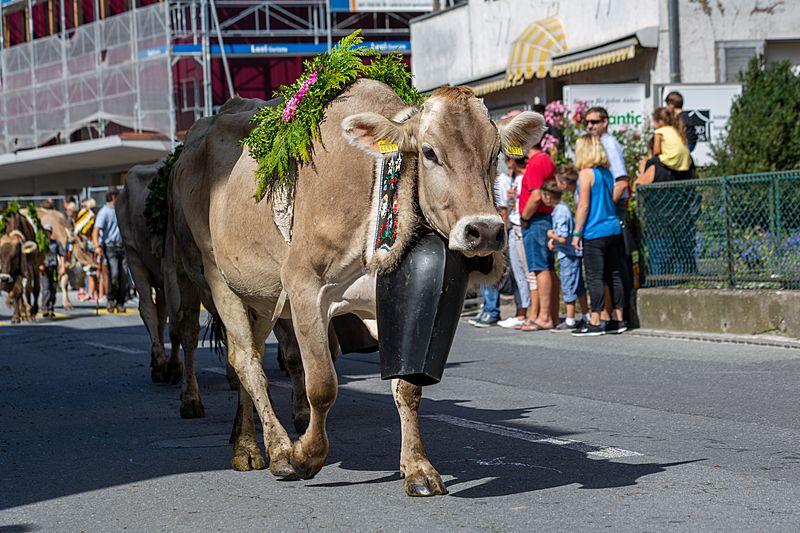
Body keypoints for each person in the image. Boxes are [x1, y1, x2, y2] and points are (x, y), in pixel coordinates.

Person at [571, 134, 626, 336]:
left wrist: (577, 233)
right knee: (614, 274)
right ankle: (618, 319)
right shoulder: (606, 173)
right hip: (612, 227)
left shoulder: (586, 174)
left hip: (594, 230)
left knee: (594, 276)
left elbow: (584, 206)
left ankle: (595, 320)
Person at [518, 139, 559, 331]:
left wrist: (524, 217)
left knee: (539, 268)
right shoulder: (546, 159)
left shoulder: (536, 162)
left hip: (536, 220)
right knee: (547, 268)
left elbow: (536, 196)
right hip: (544, 218)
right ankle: (552, 315)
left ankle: (544, 317)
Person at [546, 169, 590, 330]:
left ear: (547, 196)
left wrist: (551, 235)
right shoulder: (564, 208)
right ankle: (586, 314)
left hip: (567, 254)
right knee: (578, 285)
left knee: (569, 285)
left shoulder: (560, 211)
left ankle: (570, 319)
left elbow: (563, 236)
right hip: (572, 252)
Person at [470, 163, 513, 327]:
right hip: (488, 229)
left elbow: (503, 210)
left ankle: (492, 310)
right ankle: (488, 307)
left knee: (491, 270)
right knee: (483, 269)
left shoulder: (500, 181)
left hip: (494, 231)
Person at [497, 153, 531, 329]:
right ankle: (521, 310)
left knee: (525, 273)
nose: (505, 164)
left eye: (507, 160)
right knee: (518, 272)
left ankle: (524, 312)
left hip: (520, 227)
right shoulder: (515, 178)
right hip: (515, 226)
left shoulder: (523, 177)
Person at [635, 107, 693, 186]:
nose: (653, 125)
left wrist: (644, 167)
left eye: (654, 121)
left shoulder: (659, 132)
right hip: (684, 163)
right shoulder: (675, 130)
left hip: (670, 160)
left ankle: (645, 175)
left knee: (649, 162)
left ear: (660, 122)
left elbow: (656, 151)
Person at [93, 191, 128, 313]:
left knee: (123, 275)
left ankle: (121, 302)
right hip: (111, 247)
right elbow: (96, 230)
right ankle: (111, 299)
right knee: (114, 274)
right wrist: (97, 246)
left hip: (123, 247)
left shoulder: (122, 210)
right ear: (114, 198)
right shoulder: (104, 212)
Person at [40, 224, 65, 318]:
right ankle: (45, 308)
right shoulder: (41, 243)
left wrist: (62, 267)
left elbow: (61, 254)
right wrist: (40, 264)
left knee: (53, 288)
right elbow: (38, 255)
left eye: (48, 232)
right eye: (45, 232)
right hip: (44, 268)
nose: (47, 234)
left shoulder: (56, 243)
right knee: (46, 289)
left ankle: (51, 307)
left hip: (53, 267)